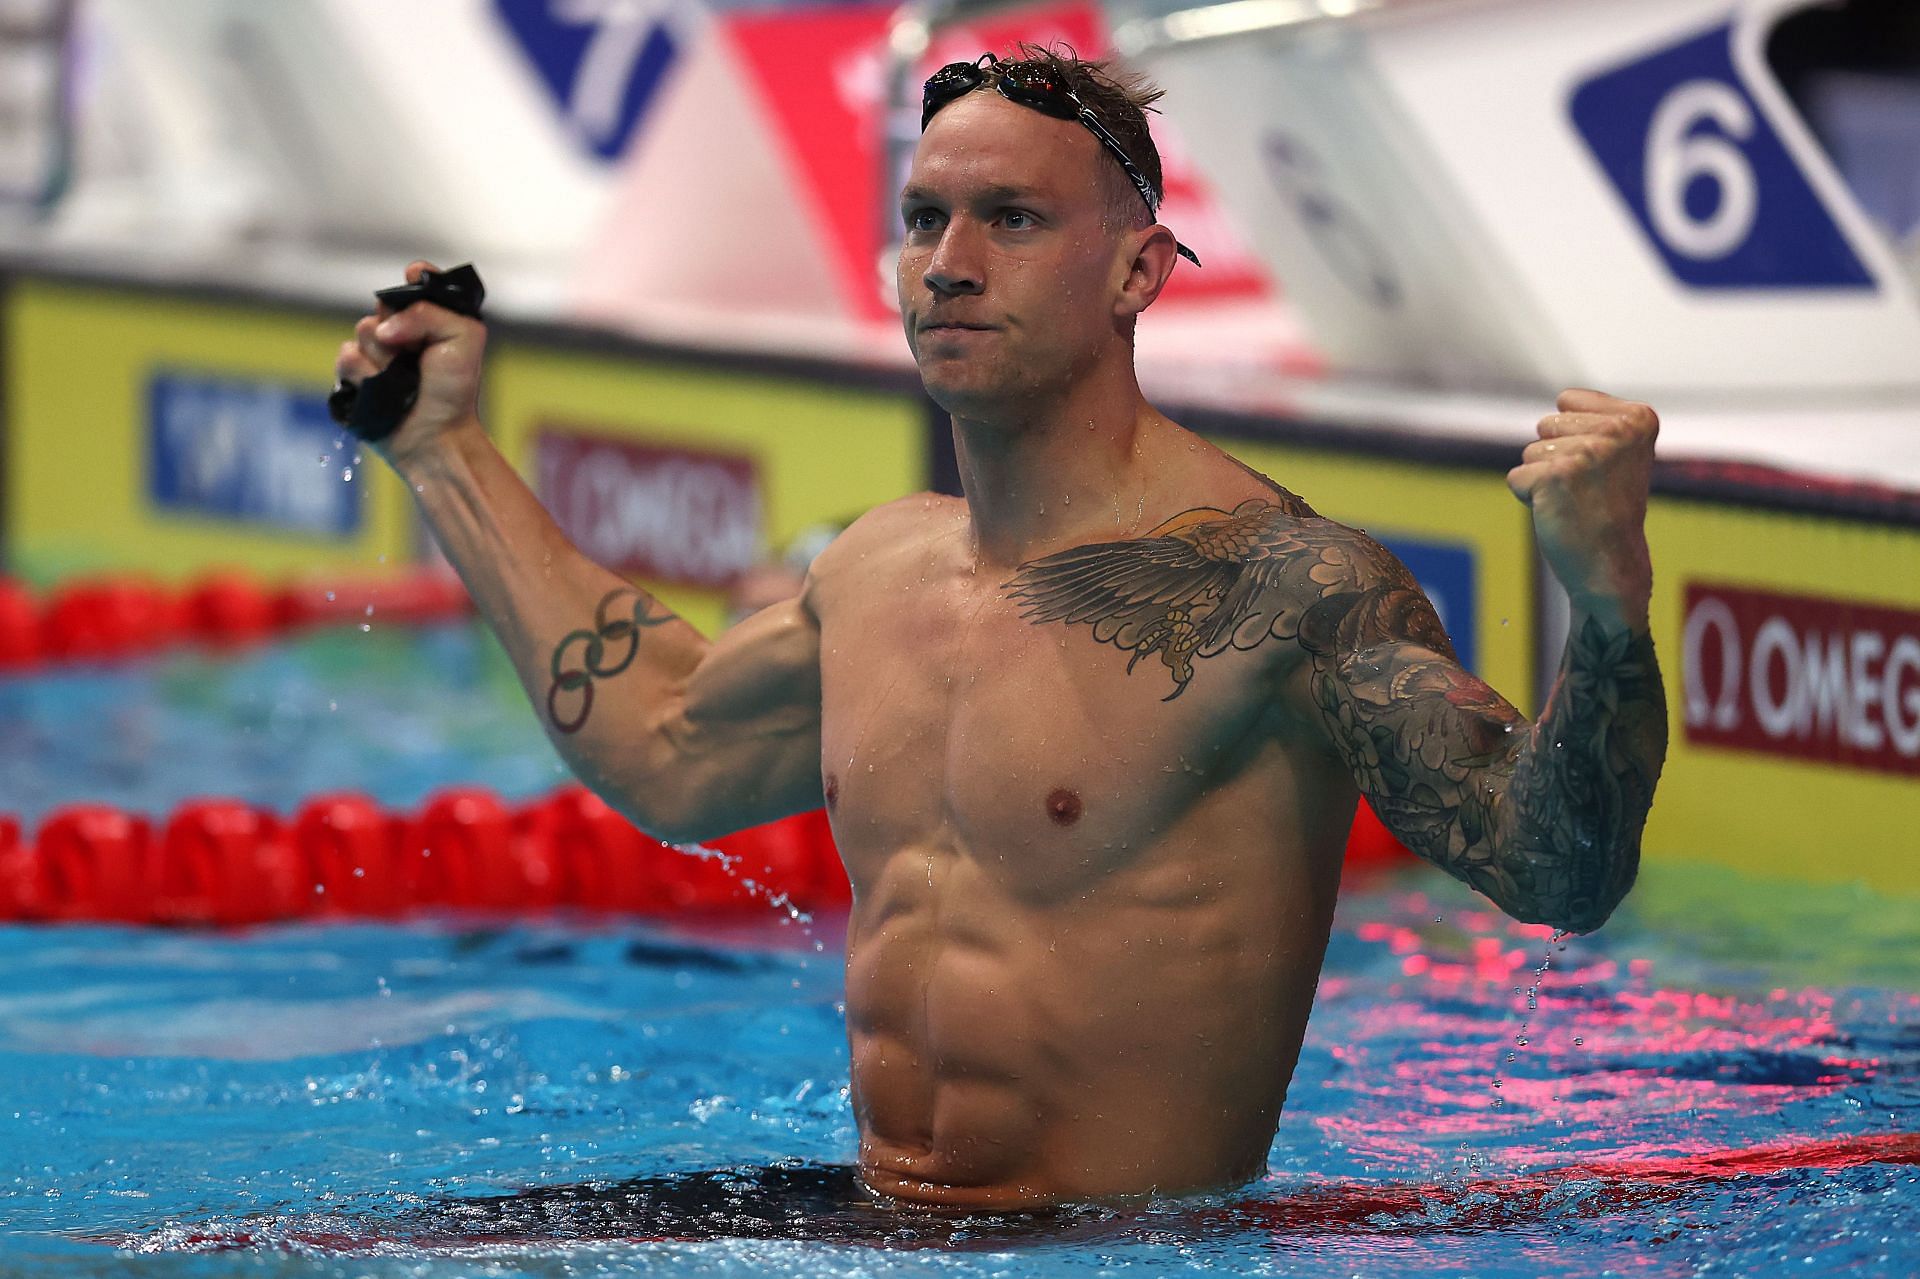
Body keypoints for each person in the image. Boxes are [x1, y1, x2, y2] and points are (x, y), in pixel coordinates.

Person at [333, 47, 1667, 1214]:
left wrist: (1605, 613)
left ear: (1138, 269)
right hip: (878, 1222)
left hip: (1129, 1256)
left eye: (1012, 219)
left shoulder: (1284, 590)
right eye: (926, 220)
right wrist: (442, 448)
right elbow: (673, 747)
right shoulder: (875, 568)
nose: (951, 265)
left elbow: (1558, 874)